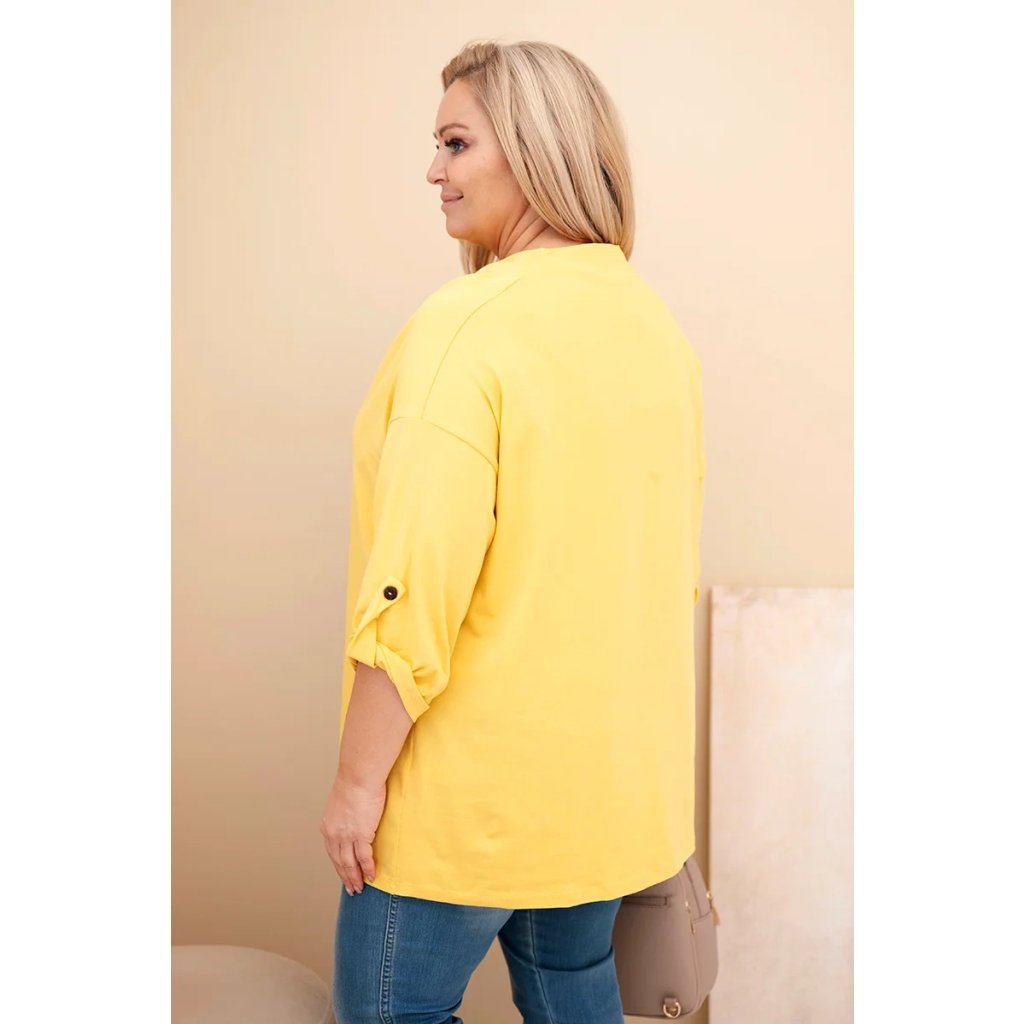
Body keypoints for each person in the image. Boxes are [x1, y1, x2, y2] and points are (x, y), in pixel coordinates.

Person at [320, 39, 706, 1024]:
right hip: (604, 798)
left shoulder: (469, 325)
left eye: (455, 142)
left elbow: (414, 586)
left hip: (471, 800)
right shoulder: (652, 328)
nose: (432, 170)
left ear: (535, 149)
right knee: (572, 994)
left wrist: (358, 785)